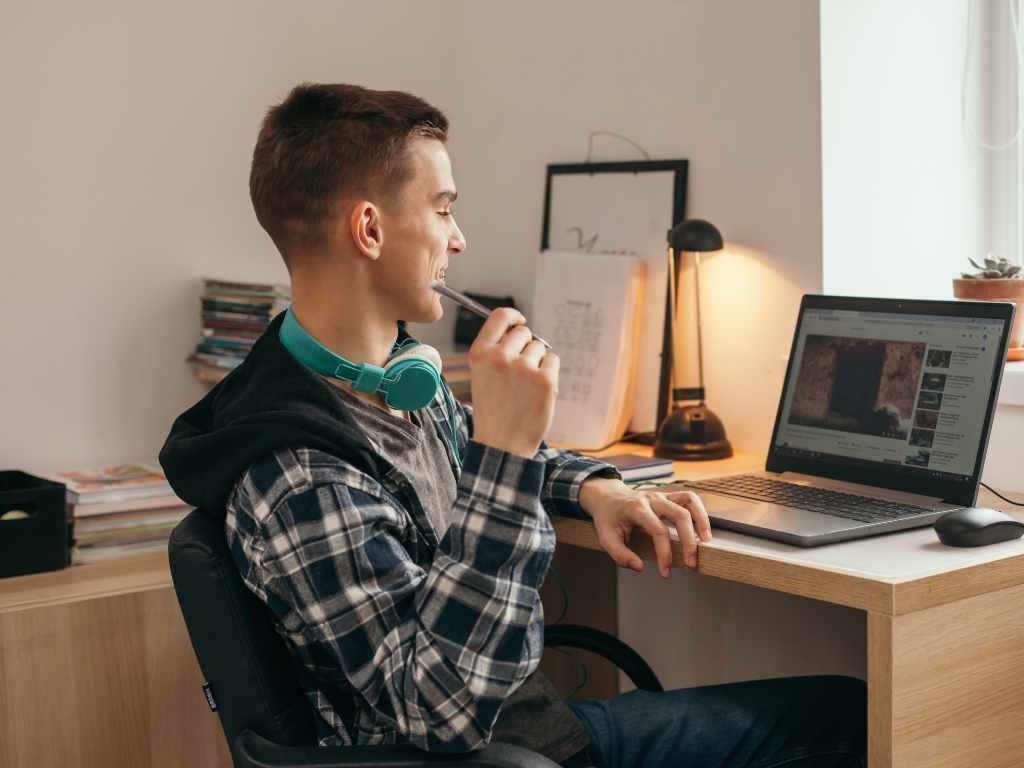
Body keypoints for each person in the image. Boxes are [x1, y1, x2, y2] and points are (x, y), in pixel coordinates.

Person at [160, 83, 866, 768]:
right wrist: (505, 451)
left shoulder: (380, 383)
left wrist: (598, 488)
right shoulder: (299, 474)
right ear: (370, 229)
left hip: (535, 732)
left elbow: (476, 446)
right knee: (850, 729)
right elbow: (439, 714)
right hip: (492, 753)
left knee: (845, 710)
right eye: (442, 210)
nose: (458, 239)